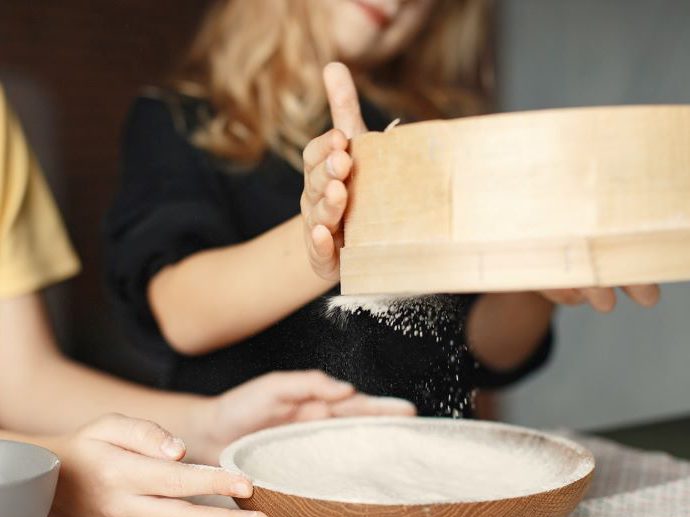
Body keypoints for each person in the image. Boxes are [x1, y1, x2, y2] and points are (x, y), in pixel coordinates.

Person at [105, 0, 659, 417]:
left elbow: (482, 349)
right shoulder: (176, 120)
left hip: (422, 481)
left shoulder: (435, 133)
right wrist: (328, 240)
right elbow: (182, 315)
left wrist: (537, 285)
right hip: (250, 486)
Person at [0, 84, 414, 517]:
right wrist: (60, 481)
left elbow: (19, 379)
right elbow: (179, 308)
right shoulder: (170, 121)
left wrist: (206, 427)